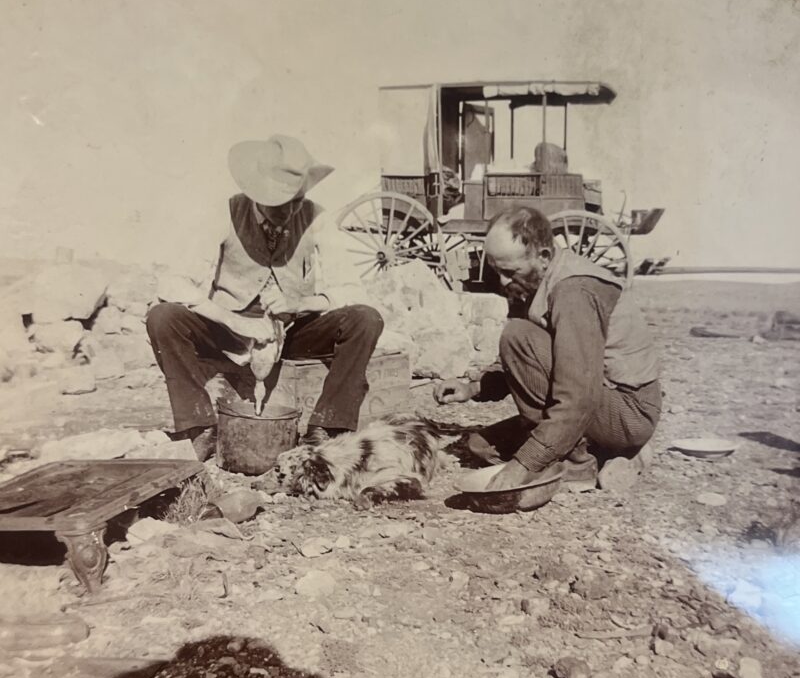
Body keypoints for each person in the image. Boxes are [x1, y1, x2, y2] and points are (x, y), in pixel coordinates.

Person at [146, 135, 384, 460]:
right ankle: (199, 427)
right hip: (228, 333)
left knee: (366, 318)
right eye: (278, 202)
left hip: (293, 333)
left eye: (295, 200)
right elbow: (173, 283)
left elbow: (353, 288)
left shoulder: (317, 217)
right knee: (163, 317)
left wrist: (303, 304)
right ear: (255, 193)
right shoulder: (224, 213)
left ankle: (327, 429)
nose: (288, 211)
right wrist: (233, 319)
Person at [434, 206, 661, 491]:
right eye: (495, 270)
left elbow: (578, 396)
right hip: (597, 402)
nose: (502, 281)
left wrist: (525, 464)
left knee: (517, 336)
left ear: (542, 256)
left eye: (508, 271)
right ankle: (610, 454)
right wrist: (475, 387)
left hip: (628, 412)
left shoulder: (573, 291)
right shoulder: (532, 280)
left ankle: (579, 464)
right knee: (482, 446)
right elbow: (535, 361)